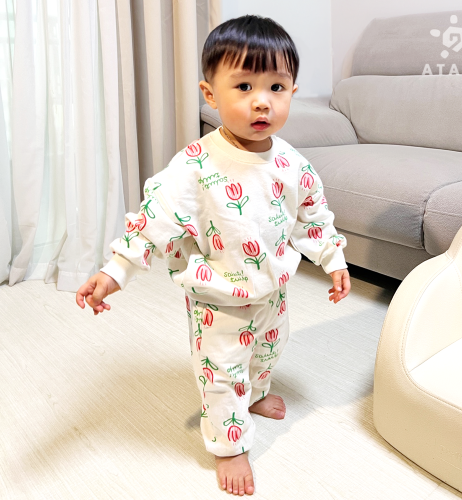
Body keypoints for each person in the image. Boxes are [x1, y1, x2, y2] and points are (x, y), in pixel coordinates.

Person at [76, 14, 351, 496]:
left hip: (273, 291)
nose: (262, 101)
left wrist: (333, 259)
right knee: (222, 373)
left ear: (292, 91)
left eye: (276, 87)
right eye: (243, 86)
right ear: (210, 95)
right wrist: (116, 270)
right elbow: (154, 219)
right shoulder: (194, 166)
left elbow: (312, 216)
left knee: (268, 350)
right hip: (218, 299)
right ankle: (229, 445)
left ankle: (257, 393)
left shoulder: (293, 165)